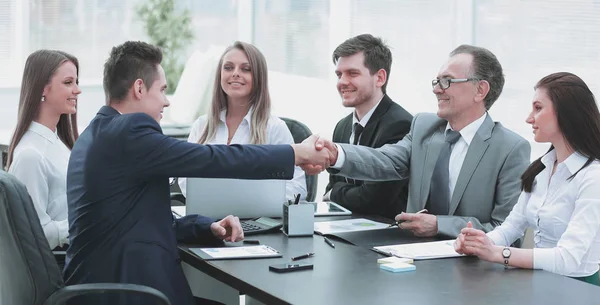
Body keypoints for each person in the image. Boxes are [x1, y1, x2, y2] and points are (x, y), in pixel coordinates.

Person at [63, 41, 329, 305]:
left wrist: (208, 227)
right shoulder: (130, 132)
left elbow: (141, 218)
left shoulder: (95, 134)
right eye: (163, 90)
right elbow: (214, 159)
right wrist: (296, 153)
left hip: (101, 287)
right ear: (140, 88)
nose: (166, 102)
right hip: (126, 292)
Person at [307, 45, 531, 238]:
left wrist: (439, 225)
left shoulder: (510, 149)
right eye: (437, 81)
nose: (436, 89)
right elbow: (385, 160)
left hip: (474, 271)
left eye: (447, 81)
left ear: (480, 90)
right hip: (410, 258)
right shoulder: (424, 127)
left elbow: (505, 229)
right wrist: (336, 153)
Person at [454, 72, 600, 285]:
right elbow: (511, 227)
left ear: (567, 113)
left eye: (538, 108)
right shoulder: (541, 170)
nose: (529, 118)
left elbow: (568, 259)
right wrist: (478, 243)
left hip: (579, 289)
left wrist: (498, 253)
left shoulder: (593, 178)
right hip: (539, 283)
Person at [179, 41, 306, 200]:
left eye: (246, 69)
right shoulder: (201, 125)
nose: (235, 73)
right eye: (228, 67)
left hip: (258, 219)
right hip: (208, 218)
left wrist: (252, 200)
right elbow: (184, 179)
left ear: (258, 78)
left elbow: (297, 188)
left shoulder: (274, 128)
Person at [323, 34, 412, 219]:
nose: (342, 82)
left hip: (384, 235)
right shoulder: (343, 126)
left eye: (352, 73)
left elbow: (373, 200)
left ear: (379, 78)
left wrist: (335, 193)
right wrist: (337, 191)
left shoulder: (400, 124)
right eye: (339, 74)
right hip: (343, 228)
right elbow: (333, 185)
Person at [6, 50, 80, 250]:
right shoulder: (31, 156)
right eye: (68, 82)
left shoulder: (59, 144)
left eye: (76, 82)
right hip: (62, 266)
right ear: (43, 89)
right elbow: (33, 236)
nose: (77, 90)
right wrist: (87, 222)